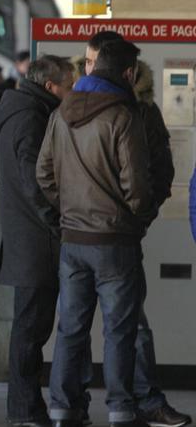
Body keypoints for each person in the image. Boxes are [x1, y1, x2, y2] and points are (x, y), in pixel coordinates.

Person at [37, 39, 152, 427]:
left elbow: (44, 174)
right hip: (114, 241)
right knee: (118, 331)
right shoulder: (123, 116)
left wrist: (68, 211)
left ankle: (62, 408)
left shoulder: (60, 112)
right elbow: (136, 185)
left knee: (71, 328)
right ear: (128, 73)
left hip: (73, 241)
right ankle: (121, 409)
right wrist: (133, 220)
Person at [84, 33, 190, 427]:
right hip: (84, 234)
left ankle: (139, 401)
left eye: (92, 60)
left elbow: (160, 172)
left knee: (131, 324)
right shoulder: (75, 105)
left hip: (116, 234)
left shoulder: (140, 110)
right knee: (77, 327)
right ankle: (80, 405)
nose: (88, 67)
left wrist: (137, 219)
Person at [0, 55, 76, 426]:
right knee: (30, 329)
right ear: (50, 86)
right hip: (36, 242)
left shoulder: (24, 111)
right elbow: (35, 184)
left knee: (31, 327)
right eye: (69, 86)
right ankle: (25, 409)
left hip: (30, 239)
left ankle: (26, 408)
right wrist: (59, 224)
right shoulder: (31, 119)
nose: (73, 92)